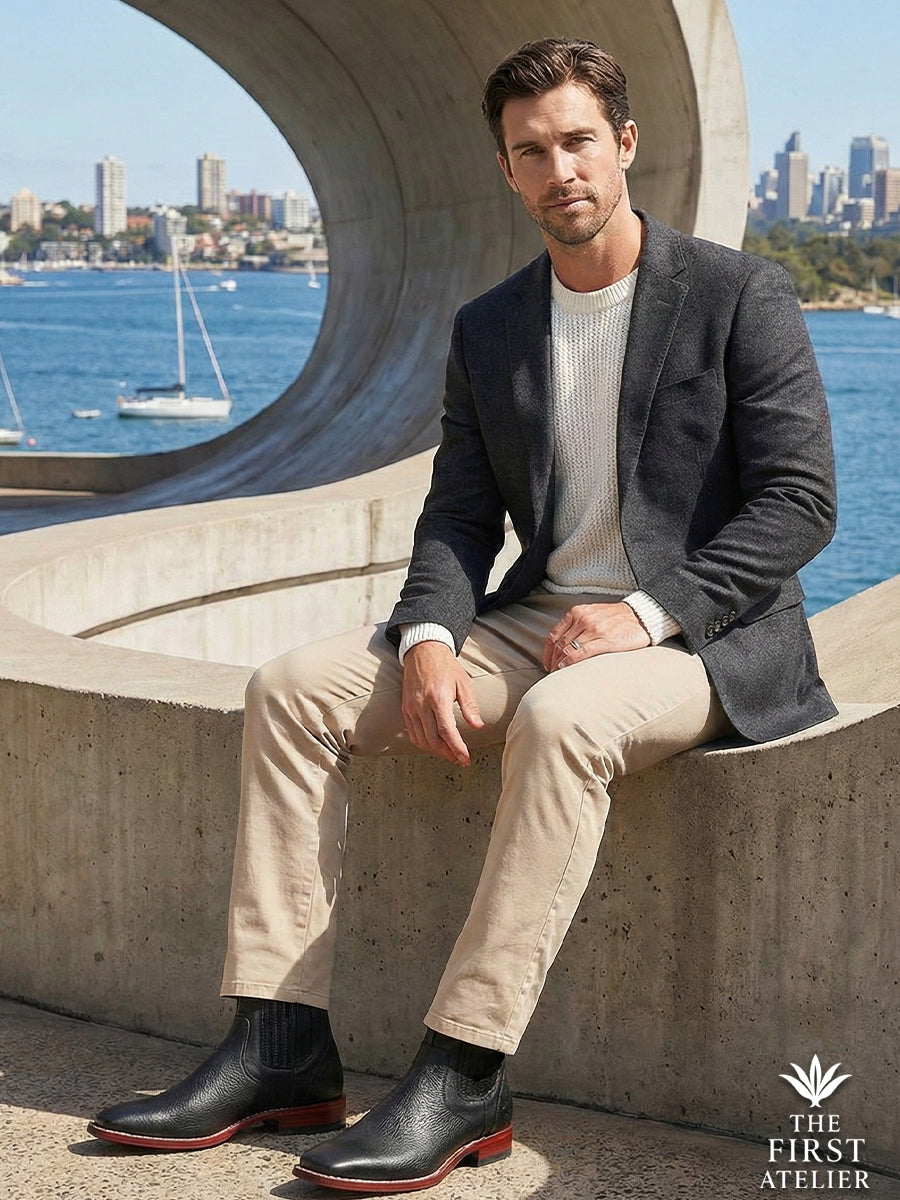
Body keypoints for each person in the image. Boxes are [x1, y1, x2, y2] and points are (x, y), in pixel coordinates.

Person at [87, 36, 837, 1193]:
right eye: (532, 151)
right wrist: (431, 638)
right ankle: (281, 1044)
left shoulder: (740, 294)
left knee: (564, 722)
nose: (560, 170)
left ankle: (466, 1070)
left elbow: (800, 502)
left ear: (625, 145)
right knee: (291, 689)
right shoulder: (491, 325)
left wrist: (648, 612)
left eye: (579, 142)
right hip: (536, 618)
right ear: (507, 170)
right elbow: (458, 517)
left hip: (705, 639)